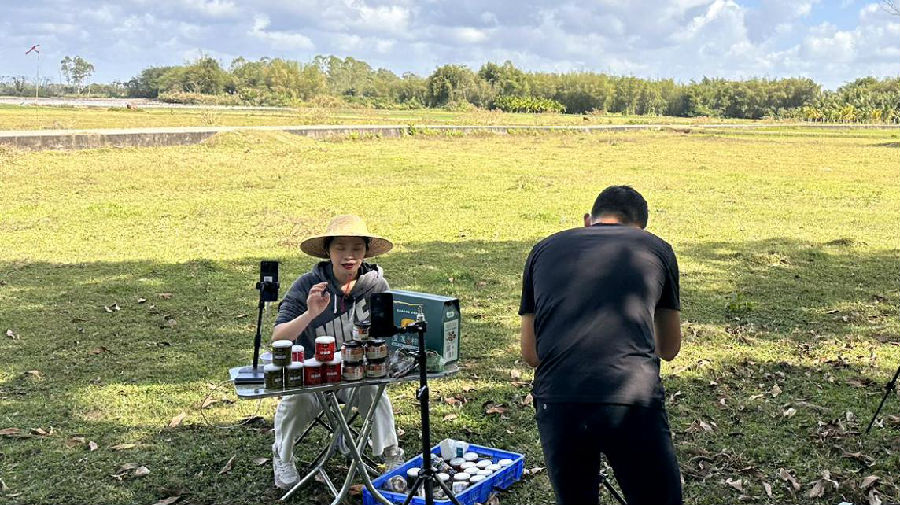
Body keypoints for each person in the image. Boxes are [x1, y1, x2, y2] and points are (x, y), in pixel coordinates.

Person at [519, 186, 683, 505]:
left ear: (588, 220)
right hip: (632, 397)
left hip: (558, 400)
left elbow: (531, 354)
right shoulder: (656, 248)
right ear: (641, 229)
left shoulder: (543, 249)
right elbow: (669, 348)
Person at [270, 215, 404, 490]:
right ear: (328, 251)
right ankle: (282, 456)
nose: (348, 256)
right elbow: (278, 337)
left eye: (356, 248)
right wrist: (310, 313)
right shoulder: (307, 285)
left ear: (366, 251)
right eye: (340, 248)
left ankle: (393, 457)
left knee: (376, 391)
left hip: (358, 375)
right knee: (294, 397)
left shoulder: (377, 286)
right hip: (314, 375)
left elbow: (389, 338)